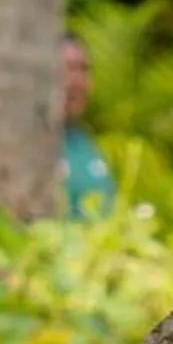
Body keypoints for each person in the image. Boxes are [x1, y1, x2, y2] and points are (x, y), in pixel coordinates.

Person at [60, 34, 117, 220]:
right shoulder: (25, 147)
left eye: (83, 69)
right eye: (66, 69)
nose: (76, 81)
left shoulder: (87, 145)